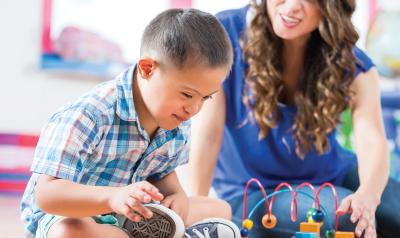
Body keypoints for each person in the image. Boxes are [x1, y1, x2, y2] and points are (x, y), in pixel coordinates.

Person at [21, 8, 241, 238]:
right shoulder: (90, 115)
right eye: (187, 95)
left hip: (132, 216)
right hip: (71, 217)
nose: (194, 109)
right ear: (147, 69)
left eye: (206, 97)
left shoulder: (177, 121)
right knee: (69, 233)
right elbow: (46, 195)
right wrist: (111, 197)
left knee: (220, 210)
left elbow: (162, 173)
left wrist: (178, 196)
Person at [187, 1, 400, 238]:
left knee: (387, 211)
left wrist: (368, 195)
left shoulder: (350, 60)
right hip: (249, 190)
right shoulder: (224, 32)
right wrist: (194, 212)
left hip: (332, 171)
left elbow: (372, 140)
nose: (291, 6)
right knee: (345, 215)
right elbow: (208, 135)